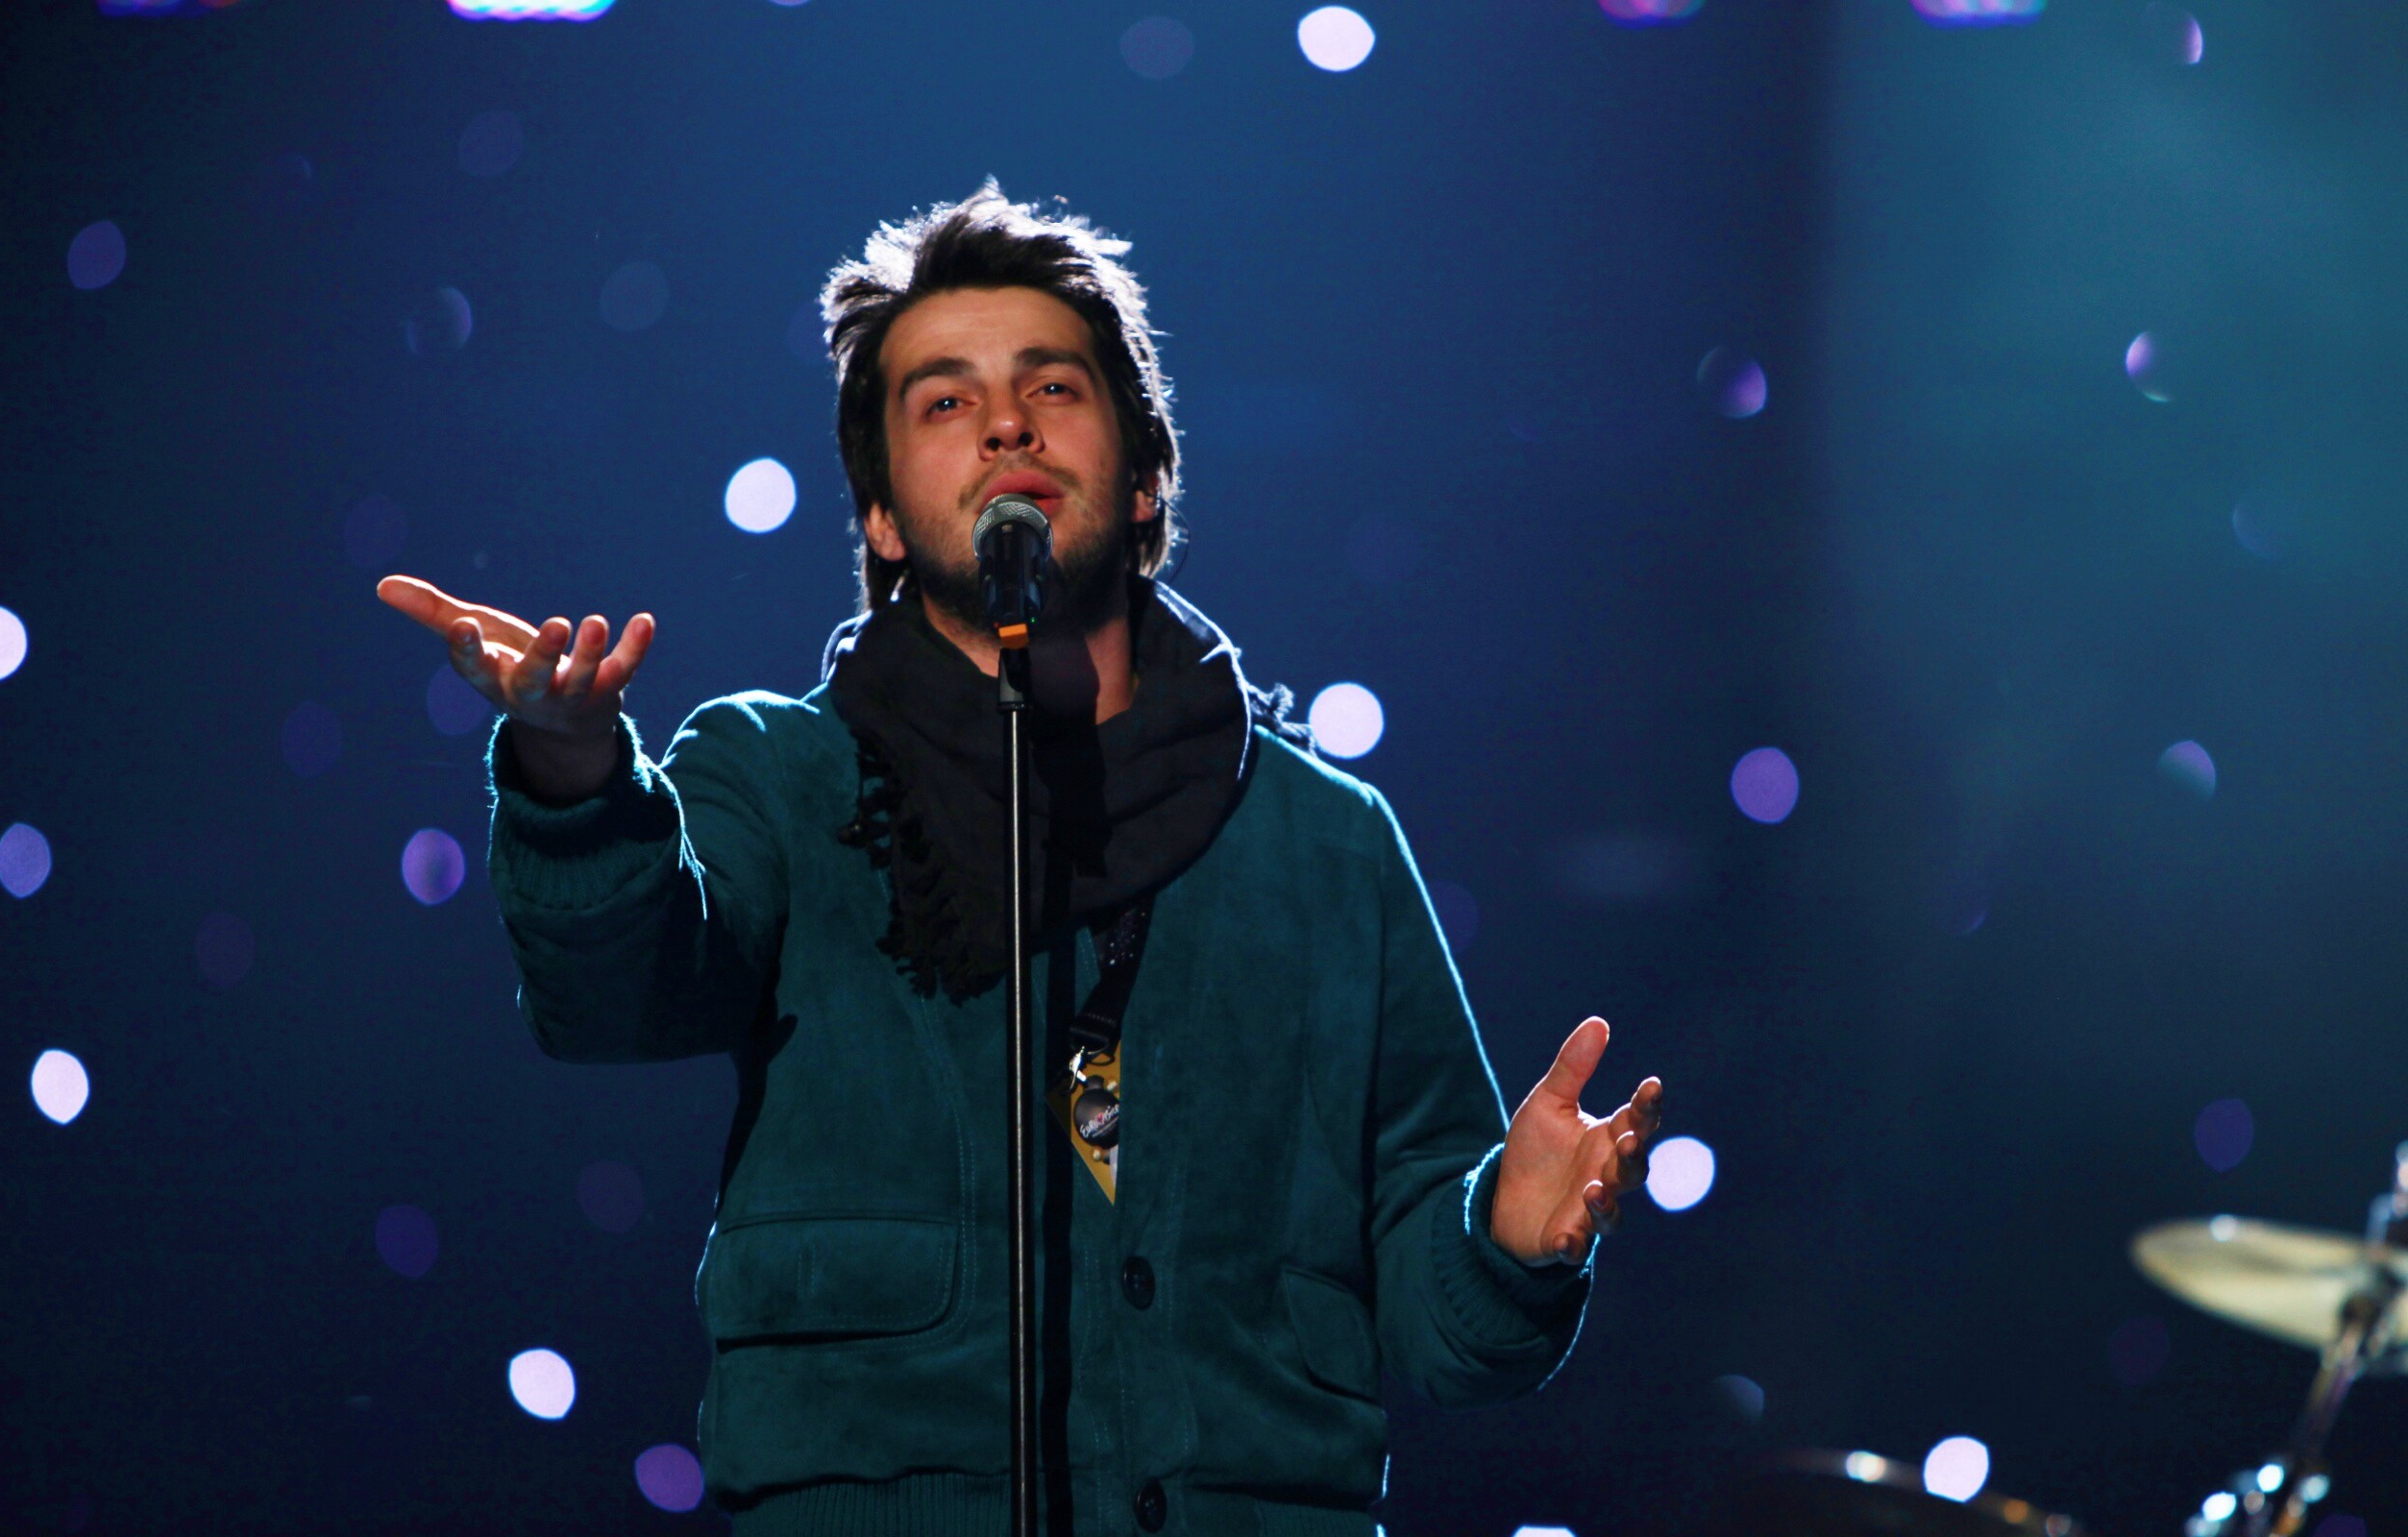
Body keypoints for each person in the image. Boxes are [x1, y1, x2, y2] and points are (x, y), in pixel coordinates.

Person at [379, 183, 1664, 1537]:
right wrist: (575, 771)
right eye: (945, 401)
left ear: (1146, 471)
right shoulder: (778, 777)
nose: (1006, 424)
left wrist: (1506, 1239)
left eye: (1052, 386)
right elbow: (614, 1001)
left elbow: (1452, 1336)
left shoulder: (1327, 846)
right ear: (882, 517)